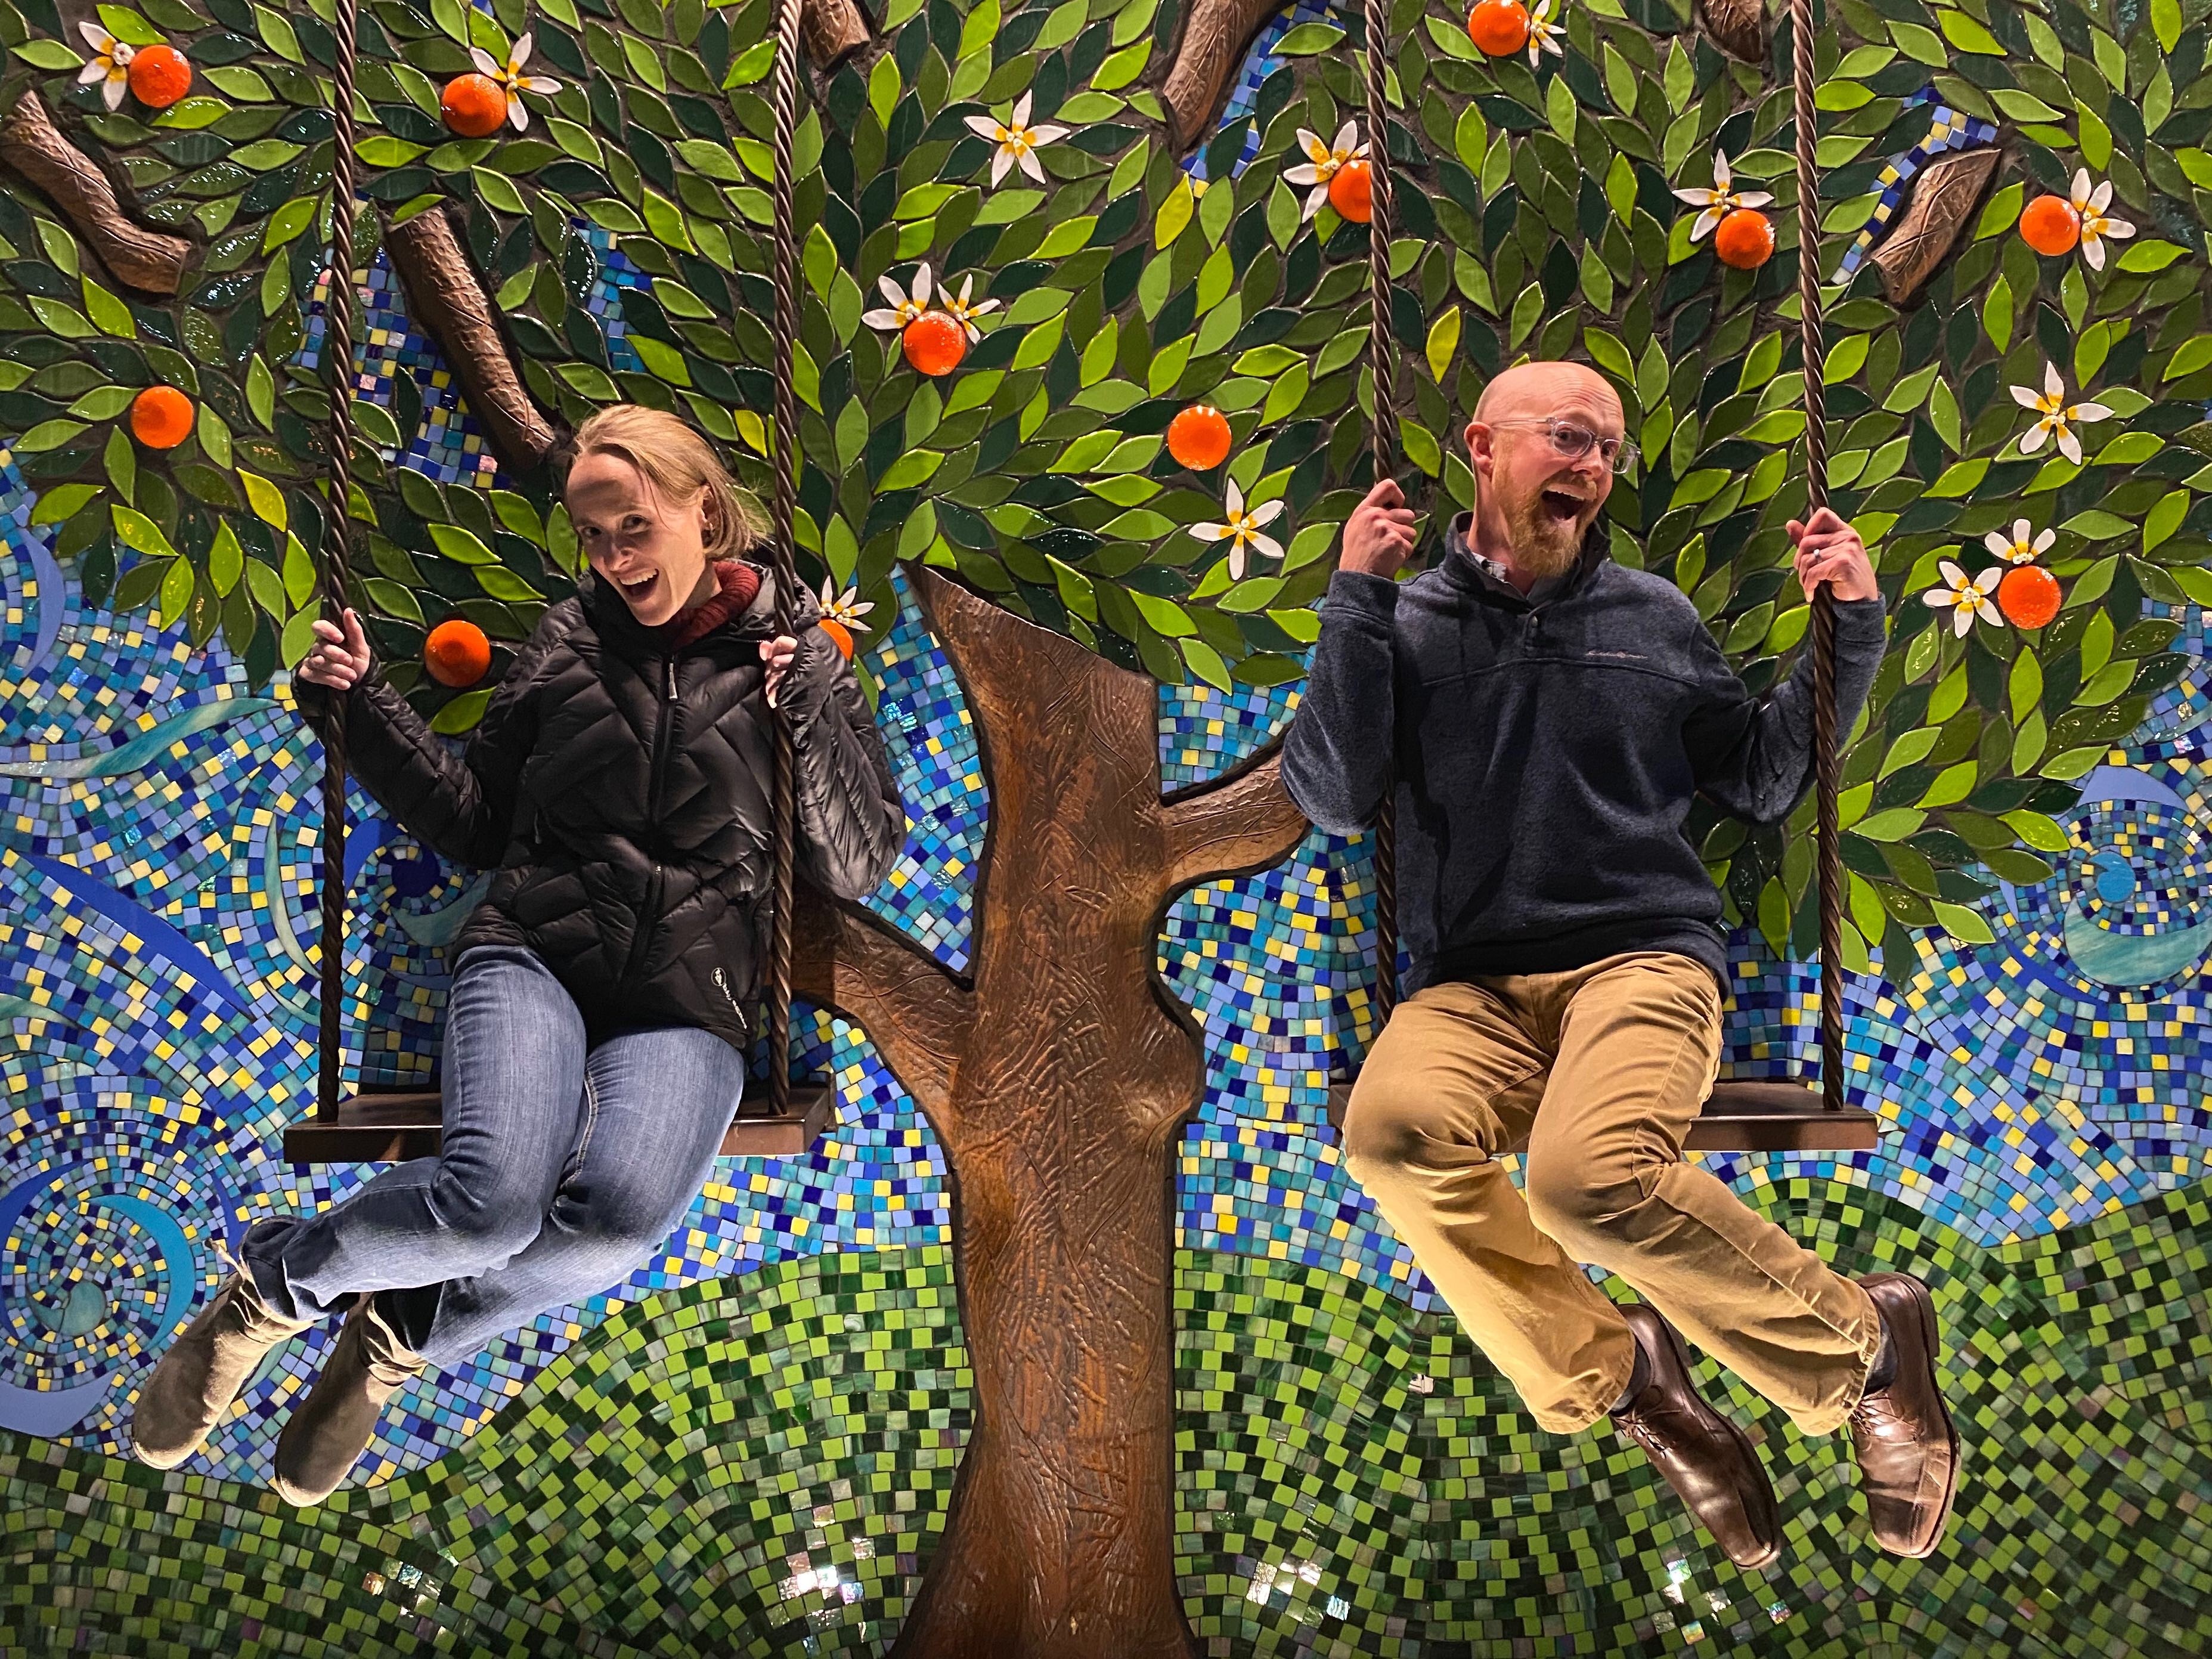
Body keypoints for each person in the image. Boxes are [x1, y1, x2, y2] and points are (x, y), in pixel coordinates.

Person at [129, 405, 904, 1504]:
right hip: (534, 956)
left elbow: (859, 862)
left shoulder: (802, 660)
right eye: (593, 537)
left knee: (615, 1232)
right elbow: (477, 818)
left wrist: (811, 711)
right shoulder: (569, 640)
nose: (614, 558)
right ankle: (271, 1292)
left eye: (632, 526)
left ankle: (404, 1327)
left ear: (706, 512)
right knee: (489, 1205)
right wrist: (359, 708)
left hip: (693, 998)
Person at [1281, 360, 1956, 1568]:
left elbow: (1755, 777)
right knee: (1387, 1138)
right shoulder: (1408, 622)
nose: (1591, 466)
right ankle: (1627, 1375)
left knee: (1582, 1185)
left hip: (1638, 958)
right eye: (1569, 438)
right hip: (1470, 983)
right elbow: (1331, 799)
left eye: (1607, 449)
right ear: (1484, 449)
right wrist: (1351, 597)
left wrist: (1847, 628)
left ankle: (1865, 1349)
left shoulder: (1652, 616)